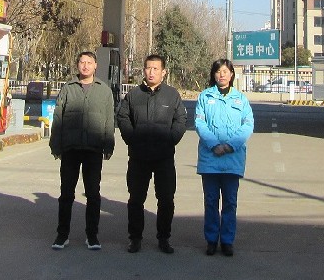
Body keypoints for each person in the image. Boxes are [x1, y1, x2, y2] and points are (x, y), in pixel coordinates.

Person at [117, 53, 187, 254]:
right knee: (136, 199)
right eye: (148, 68)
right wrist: (132, 138)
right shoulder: (134, 95)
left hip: (164, 157)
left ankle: (164, 238)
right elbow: (123, 117)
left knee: (166, 199)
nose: (151, 72)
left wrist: (170, 139)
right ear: (144, 70)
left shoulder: (172, 95)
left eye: (156, 69)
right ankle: (135, 238)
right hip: (138, 156)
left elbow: (181, 120)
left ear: (164, 72)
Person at [49, 51, 116, 250]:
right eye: (82, 62)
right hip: (70, 149)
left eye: (89, 62)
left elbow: (109, 120)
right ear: (77, 65)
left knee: (93, 194)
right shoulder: (68, 89)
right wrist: (55, 144)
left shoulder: (104, 91)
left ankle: (92, 236)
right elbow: (58, 117)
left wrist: (108, 144)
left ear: (96, 66)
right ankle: (62, 235)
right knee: (66, 194)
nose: (85, 66)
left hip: (93, 149)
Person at [195, 58, 254, 257]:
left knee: (230, 202)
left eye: (225, 71)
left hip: (232, 160)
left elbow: (248, 125)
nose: (222, 75)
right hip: (210, 159)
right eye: (218, 71)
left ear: (231, 75)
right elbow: (200, 124)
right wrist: (214, 145)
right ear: (213, 74)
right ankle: (211, 240)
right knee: (211, 201)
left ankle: (227, 241)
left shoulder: (241, 99)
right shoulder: (205, 97)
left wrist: (230, 146)